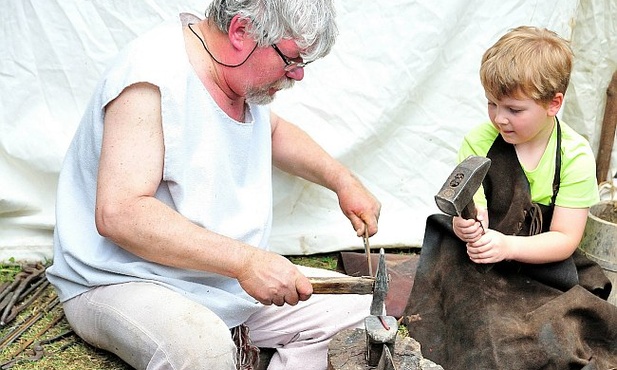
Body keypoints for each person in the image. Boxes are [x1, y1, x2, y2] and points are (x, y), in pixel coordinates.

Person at [46, 1, 381, 369]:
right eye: (292, 59)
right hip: (124, 280)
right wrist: (245, 261)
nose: (297, 75)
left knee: (355, 313)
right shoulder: (150, 77)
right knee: (203, 351)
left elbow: (276, 132)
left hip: (221, 278)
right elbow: (120, 213)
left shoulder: (238, 75)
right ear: (240, 32)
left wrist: (342, 181)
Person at [404, 26, 617, 369]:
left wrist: (509, 247)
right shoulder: (479, 141)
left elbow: (565, 238)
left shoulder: (575, 156)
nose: (499, 118)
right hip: (480, 261)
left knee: (558, 332)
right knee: (476, 323)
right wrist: (467, 228)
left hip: (544, 263)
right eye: (492, 104)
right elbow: (471, 210)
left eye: (514, 109)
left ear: (554, 103)